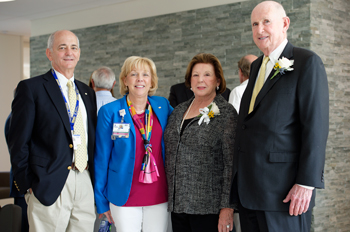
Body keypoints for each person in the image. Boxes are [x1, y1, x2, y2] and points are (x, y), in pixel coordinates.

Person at [230, 1, 329, 232]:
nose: (259, 29)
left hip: (284, 193)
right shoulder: (256, 67)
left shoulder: (307, 62)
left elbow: (315, 126)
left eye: (266, 22)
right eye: (254, 24)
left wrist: (306, 183)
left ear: (285, 23)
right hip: (250, 191)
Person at [8, 30, 97, 231]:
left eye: (73, 47)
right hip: (48, 182)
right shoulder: (32, 88)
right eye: (62, 47)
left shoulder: (86, 92)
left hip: (84, 179)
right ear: (49, 53)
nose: (69, 52)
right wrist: (28, 183)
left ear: (79, 53)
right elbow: (18, 141)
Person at [94, 56, 173, 232]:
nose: (140, 79)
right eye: (134, 74)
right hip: (123, 193)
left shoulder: (162, 106)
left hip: (158, 193)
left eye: (145, 74)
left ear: (152, 80)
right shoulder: (110, 111)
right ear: (125, 80)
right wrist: (101, 202)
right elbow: (101, 158)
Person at [164, 53, 237, 232]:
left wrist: (227, 207)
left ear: (218, 80)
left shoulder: (226, 113)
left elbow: (231, 164)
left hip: (209, 208)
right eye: (195, 75)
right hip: (178, 204)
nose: (200, 80)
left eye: (207, 75)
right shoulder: (178, 110)